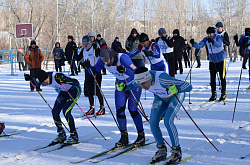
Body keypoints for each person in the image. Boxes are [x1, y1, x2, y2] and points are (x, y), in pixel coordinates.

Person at [120, 67, 192, 164]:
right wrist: (124, 87)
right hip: (161, 97)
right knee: (153, 122)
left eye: (143, 84)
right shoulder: (142, 78)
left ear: (149, 78)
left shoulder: (162, 78)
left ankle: (176, 152)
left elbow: (188, 86)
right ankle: (161, 150)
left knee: (168, 121)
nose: (141, 86)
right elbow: (133, 84)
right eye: (139, 84)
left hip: (174, 96)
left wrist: (178, 89)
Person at [84, 46, 145, 147]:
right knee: (119, 110)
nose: (106, 64)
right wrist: (89, 67)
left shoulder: (123, 58)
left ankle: (141, 135)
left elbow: (137, 73)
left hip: (134, 83)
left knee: (132, 109)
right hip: (120, 83)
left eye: (107, 61)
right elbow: (95, 71)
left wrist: (125, 70)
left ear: (111, 57)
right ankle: (124, 137)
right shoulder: (102, 60)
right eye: (104, 62)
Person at [24, 69, 81, 144]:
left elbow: (75, 82)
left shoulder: (57, 76)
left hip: (74, 90)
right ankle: (61, 134)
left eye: (43, 83)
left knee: (66, 111)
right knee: (55, 112)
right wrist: (30, 79)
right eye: (41, 83)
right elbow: (36, 81)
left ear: (47, 77)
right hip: (63, 92)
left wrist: (65, 80)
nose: (43, 85)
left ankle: (74, 135)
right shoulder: (43, 77)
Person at [190, 27, 227, 101]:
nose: (209, 35)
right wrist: (193, 43)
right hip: (212, 60)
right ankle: (213, 94)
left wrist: (212, 41)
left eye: (210, 34)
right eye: (208, 34)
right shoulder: (206, 39)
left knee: (222, 77)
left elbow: (219, 45)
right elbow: (200, 45)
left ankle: (223, 93)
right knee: (212, 78)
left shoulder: (218, 37)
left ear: (214, 33)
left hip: (221, 60)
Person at [78, 35, 105, 115]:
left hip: (96, 71)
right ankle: (91, 107)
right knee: (89, 90)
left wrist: (97, 49)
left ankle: (102, 107)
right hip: (88, 71)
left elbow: (100, 55)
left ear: (89, 43)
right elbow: (78, 58)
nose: (85, 45)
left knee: (97, 90)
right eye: (84, 44)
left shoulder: (94, 48)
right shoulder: (83, 50)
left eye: (86, 43)